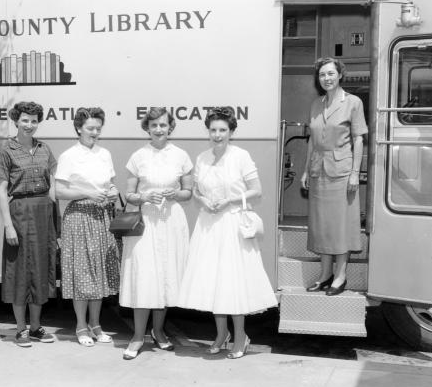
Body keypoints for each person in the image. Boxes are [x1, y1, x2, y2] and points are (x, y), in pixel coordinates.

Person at [176, 107, 277, 359]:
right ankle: (221, 335)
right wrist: (203, 201)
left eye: (223, 130)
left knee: (232, 282)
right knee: (213, 281)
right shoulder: (201, 158)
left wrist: (231, 199)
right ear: (208, 131)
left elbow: (257, 190)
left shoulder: (241, 156)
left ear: (231, 132)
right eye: (213, 130)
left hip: (232, 225)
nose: (217, 135)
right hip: (208, 225)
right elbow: (197, 192)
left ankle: (241, 336)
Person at [119, 108, 193, 360]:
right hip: (146, 222)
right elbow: (128, 194)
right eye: (154, 126)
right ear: (147, 128)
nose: (159, 129)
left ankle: (159, 332)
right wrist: (143, 196)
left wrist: (175, 194)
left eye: (163, 125)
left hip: (171, 221)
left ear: (170, 127)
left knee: (166, 278)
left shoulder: (181, 155)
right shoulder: (138, 156)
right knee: (144, 277)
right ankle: (138, 336)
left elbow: (188, 192)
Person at [0, 101, 57, 347]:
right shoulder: (6, 150)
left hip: (43, 214)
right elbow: (0, 190)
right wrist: (8, 225)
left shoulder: (44, 149)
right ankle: (21, 329)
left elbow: (53, 186)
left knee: (40, 270)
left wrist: (55, 225)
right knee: (19, 272)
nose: (30, 125)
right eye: (25, 120)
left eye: (34, 121)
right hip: (19, 212)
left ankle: (37, 326)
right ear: (16, 121)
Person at [300, 57, 367, 296]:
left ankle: (341, 276)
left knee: (341, 225)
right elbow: (312, 141)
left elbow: (359, 138)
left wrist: (354, 173)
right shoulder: (316, 105)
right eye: (322, 75)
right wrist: (307, 169)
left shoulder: (353, 102)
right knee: (322, 225)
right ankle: (325, 274)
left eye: (330, 73)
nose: (326, 78)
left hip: (342, 172)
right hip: (319, 170)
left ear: (340, 75)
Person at [55, 107, 120, 346]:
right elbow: (59, 191)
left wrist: (112, 192)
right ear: (79, 128)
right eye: (90, 128)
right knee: (82, 273)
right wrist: (87, 192)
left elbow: (111, 184)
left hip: (101, 217)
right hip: (79, 218)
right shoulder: (69, 156)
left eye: (98, 129)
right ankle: (81, 326)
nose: (95, 132)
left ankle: (96, 324)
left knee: (99, 272)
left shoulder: (104, 154)